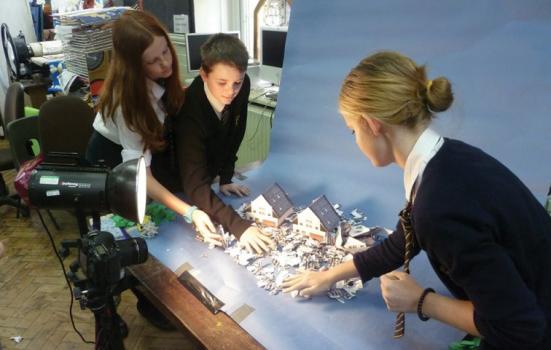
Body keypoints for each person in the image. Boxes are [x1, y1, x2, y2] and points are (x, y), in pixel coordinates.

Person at [282, 51, 551, 349]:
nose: (355, 140)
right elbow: (404, 240)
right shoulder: (445, 159)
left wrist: (422, 301)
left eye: (352, 131)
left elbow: (520, 328)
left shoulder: (438, 206)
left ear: (372, 125)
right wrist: (330, 275)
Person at [85, 10, 219, 330]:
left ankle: (154, 295)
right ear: (134, 67)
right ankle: (146, 297)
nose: (165, 64)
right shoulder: (126, 102)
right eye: (153, 61)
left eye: (165, 51)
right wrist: (190, 213)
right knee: (130, 229)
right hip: (109, 165)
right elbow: (139, 175)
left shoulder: (162, 75)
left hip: (142, 157)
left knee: (159, 214)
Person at [174, 33, 274, 254]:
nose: (231, 91)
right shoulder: (189, 112)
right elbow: (195, 185)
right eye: (222, 83)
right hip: (177, 184)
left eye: (236, 83)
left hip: (206, 178)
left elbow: (235, 132)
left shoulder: (242, 84)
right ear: (203, 74)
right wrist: (239, 226)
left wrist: (226, 177)